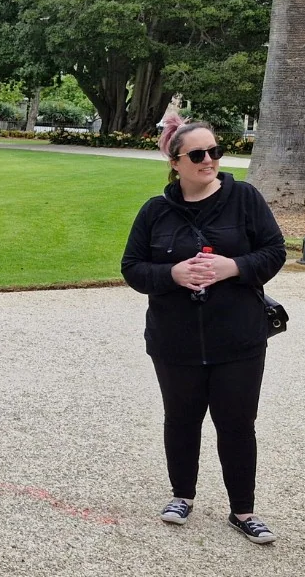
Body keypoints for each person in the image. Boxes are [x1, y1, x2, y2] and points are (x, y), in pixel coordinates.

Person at [121, 116, 285, 543]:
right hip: (175, 338)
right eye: (197, 154)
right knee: (181, 418)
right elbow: (132, 268)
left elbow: (274, 252)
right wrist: (172, 273)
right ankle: (182, 495)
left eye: (215, 151)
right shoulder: (155, 212)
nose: (209, 160)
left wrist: (233, 267)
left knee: (236, 422)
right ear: (175, 162)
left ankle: (243, 510)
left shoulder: (245, 199)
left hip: (238, 337)